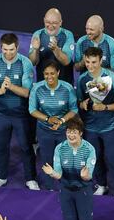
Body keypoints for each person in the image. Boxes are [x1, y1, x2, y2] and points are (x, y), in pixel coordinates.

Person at [41, 116, 97, 220]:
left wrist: (85, 176)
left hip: (83, 191)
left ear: (81, 133)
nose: (71, 135)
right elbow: (59, 174)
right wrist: (52, 173)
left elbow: (89, 175)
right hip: (65, 190)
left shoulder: (89, 149)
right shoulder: (60, 148)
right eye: (68, 132)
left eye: (74, 132)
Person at [0, 33, 37, 189]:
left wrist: (11, 86)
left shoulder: (25, 63)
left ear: (17, 47)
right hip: (1, 114)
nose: (8, 53)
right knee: (1, 147)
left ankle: (30, 178)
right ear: (1, 47)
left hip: (21, 114)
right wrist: (0, 91)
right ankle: (1, 177)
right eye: (5, 49)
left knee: (26, 147)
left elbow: (26, 92)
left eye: (11, 49)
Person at [76, 46, 114, 196]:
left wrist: (105, 107)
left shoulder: (113, 78)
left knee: (113, 159)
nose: (90, 66)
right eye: (87, 62)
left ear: (100, 61)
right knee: (95, 158)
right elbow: (78, 101)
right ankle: (102, 184)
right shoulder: (82, 79)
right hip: (90, 127)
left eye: (94, 62)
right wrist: (82, 104)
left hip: (110, 127)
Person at [29, 61, 78, 190]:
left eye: (52, 73)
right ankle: (49, 187)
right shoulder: (37, 88)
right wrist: (47, 119)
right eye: (46, 74)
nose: (49, 77)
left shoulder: (67, 88)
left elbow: (74, 109)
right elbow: (32, 110)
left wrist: (61, 121)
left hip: (64, 131)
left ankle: (67, 186)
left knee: (66, 160)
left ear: (58, 73)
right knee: (47, 159)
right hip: (44, 131)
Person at [29, 8, 76, 84]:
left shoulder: (67, 35)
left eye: (54, 23)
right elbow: (32, 62)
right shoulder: (37, 34)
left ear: (60, 22)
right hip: (43, 84)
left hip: (64, 84)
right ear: (44, 20)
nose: (50, 26)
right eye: (48, 22)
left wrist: (55, 49)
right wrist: (35, 50)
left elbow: (66, 61)